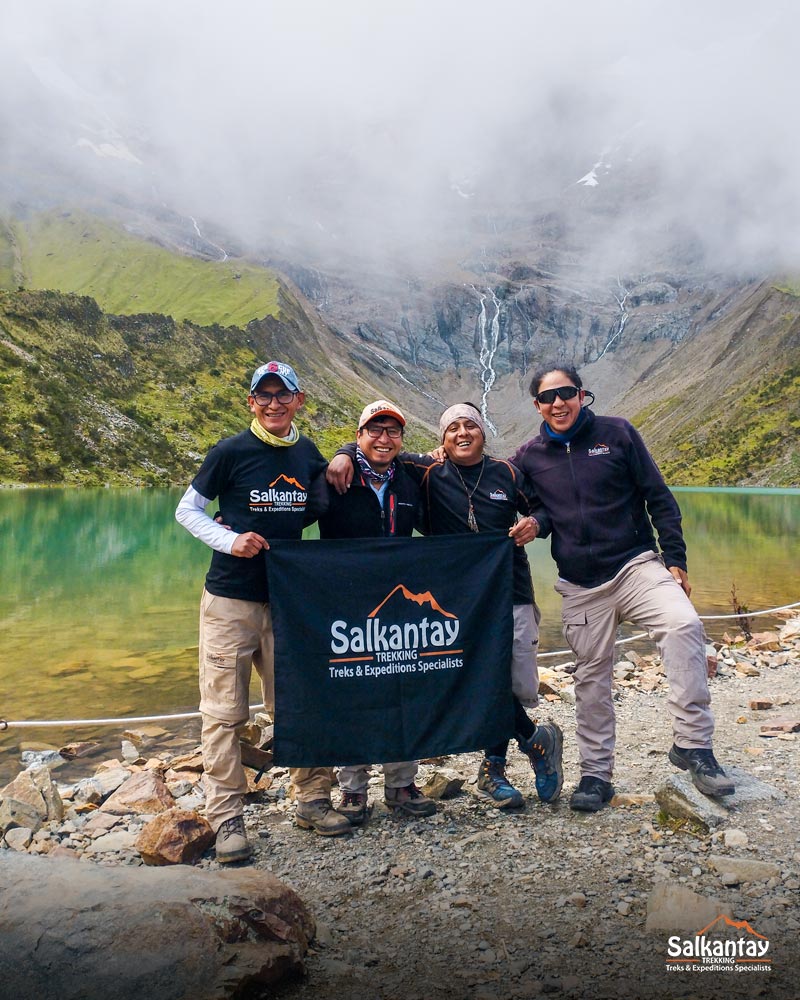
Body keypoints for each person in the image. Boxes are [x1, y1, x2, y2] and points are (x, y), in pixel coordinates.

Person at [510, 365, 735, 812]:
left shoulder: (618, 434)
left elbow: (658, 496)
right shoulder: (528, 457)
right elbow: (508, 494)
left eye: (567, 393)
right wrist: (536, 522)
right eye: (548, 397)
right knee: (591, 679)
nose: (559, 403)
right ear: (537, 405)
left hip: (635, 565)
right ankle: (596, 775)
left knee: (683, 624)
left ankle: (695, 747)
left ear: (582, 394)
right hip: (578, 584)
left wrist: (675, 559)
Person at [328, 402, 564, 810]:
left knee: (511, 682)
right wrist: (344, 452)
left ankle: (510, 753)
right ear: (441, 439)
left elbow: (542, 508)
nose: (462, 433)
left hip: (510, 588)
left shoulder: (507, 473)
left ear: (483, 433)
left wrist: (535, 523)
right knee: (478, 678)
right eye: (452, 427)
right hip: (457, 599)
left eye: (469, 425)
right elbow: (379, 451)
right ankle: (511, 758)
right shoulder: (426, 471)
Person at [175, 360, 350, 863]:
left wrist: (340, 452)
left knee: (297, 704)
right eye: (264, 395)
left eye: (283, 394)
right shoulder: (229, 453)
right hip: (231, 599)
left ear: (298, 401)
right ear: (251, 403)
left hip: (288, 600)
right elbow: (187, 511)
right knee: (224, 713)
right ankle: (227, 815)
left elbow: (331, 482)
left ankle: (312, 799)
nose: (274, 403)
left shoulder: (306, 452)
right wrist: (230, 541)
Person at [318, 399, 437, 825]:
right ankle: (352, 790)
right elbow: (293, 511)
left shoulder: (409, 479)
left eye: (392, 431)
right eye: (375, 430)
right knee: (353, 691)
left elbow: (438, 512)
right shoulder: (335, 477)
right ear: (359, 435)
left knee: (400, 688)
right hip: (348, 605)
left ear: (401, 439)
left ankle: (401, 784)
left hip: (396, 607)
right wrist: (230, 519)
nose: (384, 439)